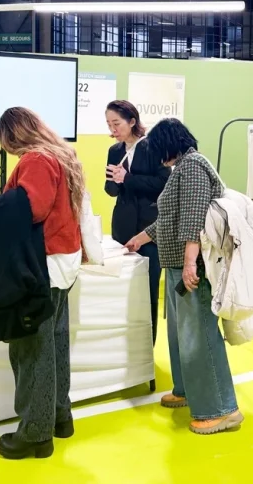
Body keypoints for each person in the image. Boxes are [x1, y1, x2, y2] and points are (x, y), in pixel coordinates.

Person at [125, 118, 243, 435]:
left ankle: (222, 410)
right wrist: (141, 238)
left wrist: (190, 263)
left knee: (199, 335)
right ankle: (188, 389)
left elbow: (193, 217)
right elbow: (170, 218)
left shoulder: (192, 167)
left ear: (168, 144)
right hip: (180, 266)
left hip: (193, 268)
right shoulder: (184, 168)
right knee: (182, 334)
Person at [0, 107, 86, 459]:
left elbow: (31, 210)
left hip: (41, 264)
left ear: (12, 134)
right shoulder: (62, 156)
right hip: (62, 261)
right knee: (55, 343)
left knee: (32, 349)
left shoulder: (35, 160)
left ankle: (35, 433)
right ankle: (59, 417)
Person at [104, 100, 170, 343]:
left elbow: (163, 184)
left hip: (148, 230)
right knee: (122, 289)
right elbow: (110, 190)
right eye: (109, 124)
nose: (113, 129)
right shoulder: (114, 151)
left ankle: (146, 346)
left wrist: (128, 178)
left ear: (132, 121)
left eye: (117, 123)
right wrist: (115, 181)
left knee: (148, 290)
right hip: (122, 227)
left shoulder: (153, 147)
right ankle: (123, 345)